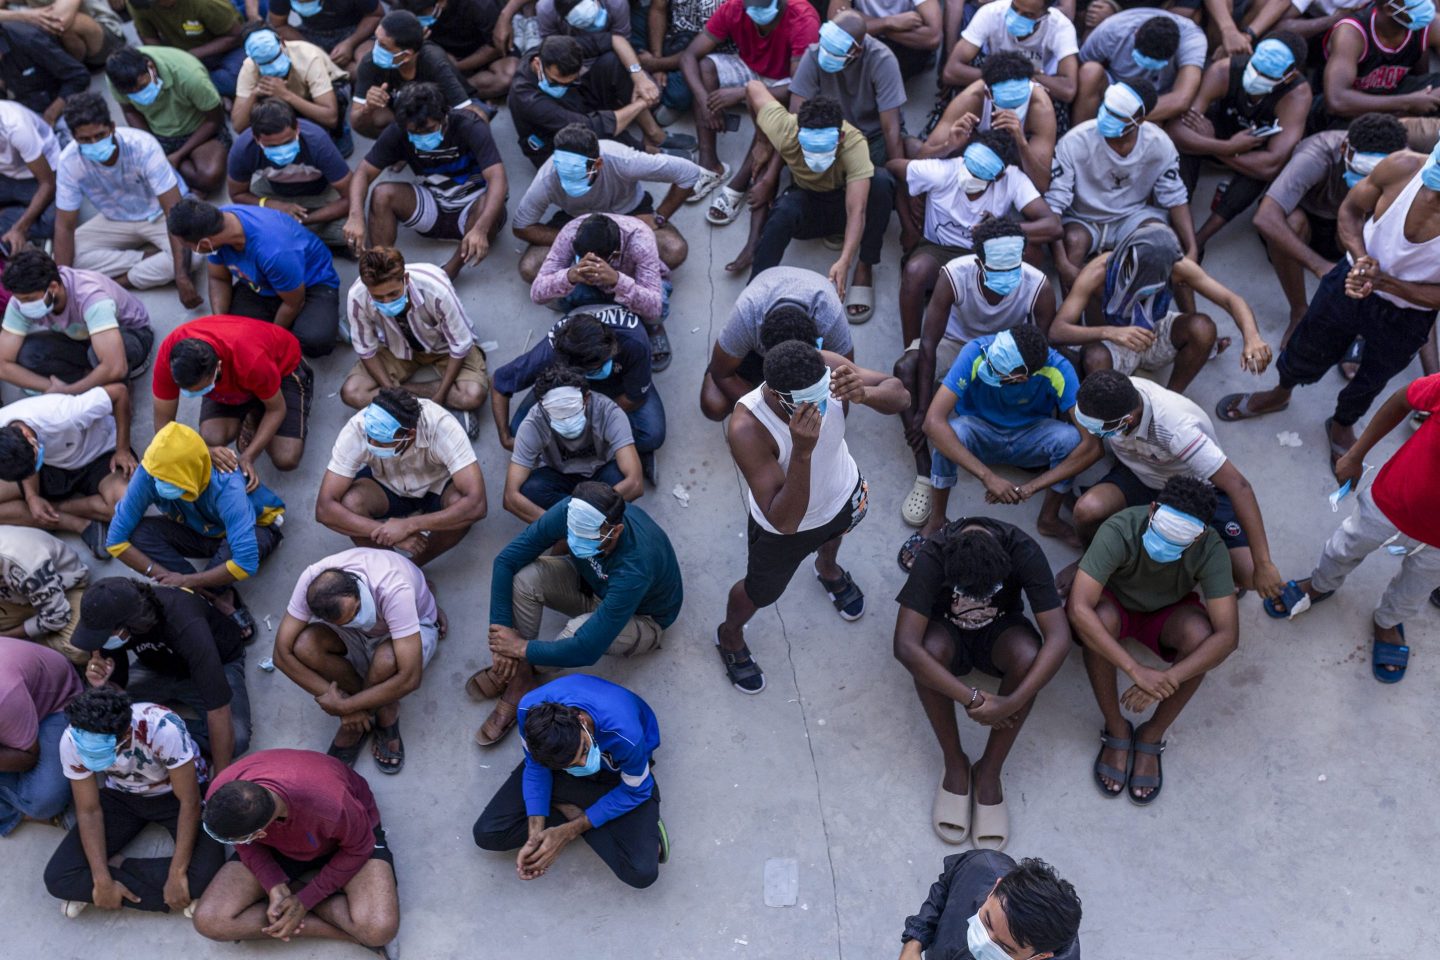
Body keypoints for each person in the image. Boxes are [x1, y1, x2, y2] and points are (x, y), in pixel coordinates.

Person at [1218, 140, 1440, 458]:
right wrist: (1361, 258)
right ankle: (1280, 393)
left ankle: (1342, 423)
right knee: (1308, 342)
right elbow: (1350, 210)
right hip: (1349, 278)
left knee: (1375, 376)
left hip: (1408, 312)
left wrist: (1387, 284)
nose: (1433, 191)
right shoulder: (1403, 167)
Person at [716, 340, 908, 693]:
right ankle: (729, 636)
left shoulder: (827, 364)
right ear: (775, 393)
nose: (822, 405)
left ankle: (827, 568)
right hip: (786, 530)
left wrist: (864, 393)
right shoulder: (748, 427)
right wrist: (802, 452)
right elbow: (783, 521)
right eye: (809, 400)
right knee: (760, 591)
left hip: (842, 495)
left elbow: (900, 396)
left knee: (834, 537)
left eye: (824, 392)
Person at [893, 518, 1073, 850]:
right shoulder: (933, 554)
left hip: (1000, 632)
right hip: (946, 633)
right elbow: (904, 646)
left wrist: (1012, 701)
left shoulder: (1023, 550)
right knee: (925, 656)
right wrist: (972, 699)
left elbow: (1059, 637)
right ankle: (955, 761)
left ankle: (989, 770)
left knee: (1030, 655)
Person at [1068, 475, 1239, 805]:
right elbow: (1078, 608)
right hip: (1114, 601)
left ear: (1201, 533)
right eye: (1163, 533)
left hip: (1168, 611)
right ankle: (1116, 727)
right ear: (1152, 510)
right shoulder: (1120, 528)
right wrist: (1135, 670)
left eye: (1179, 540)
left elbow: (1227, 636)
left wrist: (1166, 678)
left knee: (1202, 637)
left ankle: (1152, 733)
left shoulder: (1211, 547)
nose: (1167, 544)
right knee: (1097, 623)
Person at [473, 481, 681, 745]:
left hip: (641, 617)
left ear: (615, 531)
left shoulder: (636, 565)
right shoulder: (573, 510)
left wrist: (521, 647)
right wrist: (500, 635)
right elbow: (506, 561)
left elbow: (587, 650)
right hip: (594, 585)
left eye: (586, 537)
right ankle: (520, 674)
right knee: (524, 580)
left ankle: (518, 674)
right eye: (572, 533)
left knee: (576, 634)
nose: (575, 541)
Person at [1265, 376, 1440, 683]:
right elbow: (1403, 398)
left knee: (1416, 588)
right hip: (1391, 501)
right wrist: (1356, 454)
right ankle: (1320, 584)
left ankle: (1388, 621)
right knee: (1343, 547)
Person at [895, 217, 1056, 527]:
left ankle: (994, 436)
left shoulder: (1039, 286)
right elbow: (929, 345)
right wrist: (924, 408)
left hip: (1003, 352)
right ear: (979, 261)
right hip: (955, 345)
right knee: (906, 368)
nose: (1008, 276)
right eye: (998, 269)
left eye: (1014, 267)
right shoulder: (955, 274)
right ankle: (924, 471)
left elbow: (1039, 351)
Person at [1071, 370, 1283, 598]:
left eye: (1096, 429)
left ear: (1127, 420)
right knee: (1086, 511)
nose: (1091, 433)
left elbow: (1239, 486)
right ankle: (1093, 560)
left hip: (1192, 491)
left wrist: (1264, 564)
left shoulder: (1178, 430)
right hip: (1139, 474)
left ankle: (1194, 557)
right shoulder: (1110, 395)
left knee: (1251, 575)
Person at [908, 326, 1097, 568]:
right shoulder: (977, 351)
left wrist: (1030, 488)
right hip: (980, 432)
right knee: (950, 433)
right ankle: (937, 519)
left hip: (1031, 436)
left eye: (995, 370)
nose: (987, 366)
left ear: (1021, 378)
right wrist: (988, 477)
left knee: (1071, 439)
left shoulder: (1059, 370)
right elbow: (932, 423)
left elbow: (1092, 446)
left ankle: (1048, 518)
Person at [194, 749, 400, 957]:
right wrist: (272, 883)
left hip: (347, 841)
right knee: (210, 921)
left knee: (378, 929)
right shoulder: (222, 792)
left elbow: (359, 848)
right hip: (278, 845)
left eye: (237, 839)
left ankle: (297, 899)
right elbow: (245, 845)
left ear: (259, 833)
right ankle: (350, 934)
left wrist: (305, 900)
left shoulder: (332, 806)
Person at [43, 687, 225, 916]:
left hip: (174, 796)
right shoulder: (73, 738)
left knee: (206, 873)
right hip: (122, 797)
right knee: (58, 877)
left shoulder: (162, 727)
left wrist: (176, 873)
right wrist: (101, 879)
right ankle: (162, 893)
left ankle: (113, 871)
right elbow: (89, 810)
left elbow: (189, 801)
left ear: (126, 735)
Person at [473, 674, 666, 888]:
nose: (584, 764)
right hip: (561, 773)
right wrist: (535, 836)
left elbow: (635, 790)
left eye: (584, 750)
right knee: (488, 833)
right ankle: (588, 811)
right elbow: (536, 766)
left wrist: (568, 832)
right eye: (574, 763)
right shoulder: (528, 711)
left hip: (617, 776)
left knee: (642, 872)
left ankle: (577, 811)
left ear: (581, 721)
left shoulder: (624, 733)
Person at [105, 422, 286, 641]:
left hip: (258, 526)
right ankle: (207, 594)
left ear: (193, 471)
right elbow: (115, 541)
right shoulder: (150, 472)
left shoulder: (227, 485)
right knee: (138, 534)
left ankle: (212, 594)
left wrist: (187, 581)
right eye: (157, 477)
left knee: (245, 548)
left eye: (169, 479)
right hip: (201, 529)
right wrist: (167, 576)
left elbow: (245, 562)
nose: (158, 484)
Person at [273, 547, 442, 774]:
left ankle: (379, 713)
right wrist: (336, 701)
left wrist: (346, 706)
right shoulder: (311, 582)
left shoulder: (393, 587)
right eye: (348, 619)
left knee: (387, 659)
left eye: (358, 608)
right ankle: (375, 705)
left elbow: (410, 678)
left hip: (412, 627)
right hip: (359, 636)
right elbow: (281, 655)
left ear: (355, 583)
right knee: (304, 645)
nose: (358, 618)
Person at [1049, 221, 1272, 392]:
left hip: (1153, 330)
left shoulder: (1176, 266)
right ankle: (1117, 424)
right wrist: (1111, 332)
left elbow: (1231, 299)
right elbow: (1058, 330)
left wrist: (1252, 337)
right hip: (1111, 342)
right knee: (1094, 360)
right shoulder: (1098, 271)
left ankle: (1171, 399)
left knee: (1203, 328)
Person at [890, 128, 1059, 345]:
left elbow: (1053, 226)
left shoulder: (1012, 178)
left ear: (999, 175)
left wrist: (1000, 227)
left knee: (1031, 252)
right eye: (969, 169)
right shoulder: (943, 171)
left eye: (981, 176)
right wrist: (910, 218)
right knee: (914, 271)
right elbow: (892, 168)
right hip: (941, 249)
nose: (971, 177)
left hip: (989, 253)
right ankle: (912, 348)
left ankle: (1018, 336)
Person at [1253, 112, 1409, 342]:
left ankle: (1356, 330)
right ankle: (1299, 310)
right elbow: (1265, 217)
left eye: (1374, 176)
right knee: (1289, 223)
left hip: (1354, 229)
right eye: (1360, 171)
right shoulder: (1317, 153)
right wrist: (1319, 266)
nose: (1366, 183)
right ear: (1345, 148)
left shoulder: (1404, 165)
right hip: (1312, 220)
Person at [71, 577, 250, 773]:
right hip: (157, 667)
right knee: (101, 718)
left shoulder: (187, 624)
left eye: (104, 635)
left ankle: (163, 731)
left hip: (217, 663)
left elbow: (218, 709)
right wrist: (102, 686)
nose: (101, 641)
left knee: (236, 739)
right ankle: (159, 731)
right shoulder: (115, 624)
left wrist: (219, 779)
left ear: (128, 625)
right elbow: (117, 689)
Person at [745, 85, 892, 322]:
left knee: (882, 183)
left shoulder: (854, 143)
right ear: (797, 133)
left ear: (840, 137)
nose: (816, 156)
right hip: (807, 199)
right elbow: (752, 88)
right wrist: (762, 141)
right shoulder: (784, 129)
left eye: (824, 149)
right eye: (810, 148)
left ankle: (865, 265)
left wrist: (845, 260)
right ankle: (754, 291)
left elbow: (857, 209)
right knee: (782, 213)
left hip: (842, 199)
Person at [344, 82, 508, 280]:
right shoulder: (399, 131)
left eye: (429, 129)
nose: (422, 136)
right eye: (415, 132)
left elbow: (498, 179)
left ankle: (449, 272)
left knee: (489, 205)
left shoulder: (470, 126)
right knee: (382, 194)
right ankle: (383, 270)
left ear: (444, 116)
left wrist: (481, 229)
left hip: (472, 208)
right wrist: (355, 216)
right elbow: (363, 172)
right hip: (434, 203)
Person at [1167, 34, 1311, 257]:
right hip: (1217, 138)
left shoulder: (1296, 96)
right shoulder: (1223, 71)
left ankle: (1200, 239)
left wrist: (1222, 147)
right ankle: (1180, 231)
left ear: (1289, 76)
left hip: (1249, 152)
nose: (1256, 77)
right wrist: (1224, 146)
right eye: (1255, 68)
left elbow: (1271, 165)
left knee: (1259, 175)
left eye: (1267, 75)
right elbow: (1177, 130)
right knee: (1183, 150)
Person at [53, 93, 199, 309]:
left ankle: (117, 282)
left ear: (112, 127)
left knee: (194, 257)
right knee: (67, 259)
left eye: (100, 135)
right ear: (74, 138)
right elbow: (64, 226)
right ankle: (151, 257)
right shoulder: (69, 161)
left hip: (157, 214)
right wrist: (65, 286)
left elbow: (173, 210)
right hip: (115, 218)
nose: (94, 143)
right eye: (84, 139)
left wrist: (181, 276)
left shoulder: (142, 146)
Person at [1046, 79, 1194, 291]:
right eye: (1107, 109)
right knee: (1074, 242)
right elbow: (1055, 203)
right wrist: (1062, 264)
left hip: (1132, 215)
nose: (1107, 117)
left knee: (1161, 240)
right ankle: (1070, 319)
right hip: (1084, 218)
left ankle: (1184, 318)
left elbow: (1175, 197)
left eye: (1117, 115)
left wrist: (1192, 249)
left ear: (1139, 120)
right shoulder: (1074, 142)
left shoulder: (1159, 143)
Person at [318, 387, 487, 566]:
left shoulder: (441, 426)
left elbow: (476, 504)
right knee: (350, 502)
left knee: (461, 505)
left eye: (381, 441)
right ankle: (395, 569)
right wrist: (386, 532)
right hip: (385, 483)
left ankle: (415, 566)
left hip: (437, 485)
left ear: (410, 435)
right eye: (370, 438)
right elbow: (324, 508)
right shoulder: (359, 426)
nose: (371, 443)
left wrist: (410, 525)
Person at [512, 122, 701, 281]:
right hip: (578, 222)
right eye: (563, 175)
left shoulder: (623, 160)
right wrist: (572, 239)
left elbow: (688, 173)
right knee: (531, 267)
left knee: (673, 250)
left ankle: (619, 281)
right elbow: (521, 226)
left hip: (630, 212)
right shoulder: (547, 177)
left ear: (598, 164)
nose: (567, 182)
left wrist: (659, 217)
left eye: (576, 176)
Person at [678, 0, 820, 211]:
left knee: (774, 109)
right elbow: (689, 56)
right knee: (705, 67)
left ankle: (741, 181)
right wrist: (704, 102)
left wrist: (742, 93)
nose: (755, 13)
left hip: (785, 81)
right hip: (750, 67)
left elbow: (801, 87)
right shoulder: (734, 7)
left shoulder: (802, 19)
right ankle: (709, 165)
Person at [167, 196, 342, 359]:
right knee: (234, 335)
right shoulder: (215, 225)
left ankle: (323, 318)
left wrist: (272, 338)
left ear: (204, 243)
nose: (191, 250)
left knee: (315, 340)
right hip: (261, 284)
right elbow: (218, 278)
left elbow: (294, 302)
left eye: (189, 246)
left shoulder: (274, 251)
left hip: (310, 283)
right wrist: (220, 321)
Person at [341, 246, 489, 436]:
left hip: (444, 349)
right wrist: (391, 391)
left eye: (393, 294)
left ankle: (411, 405)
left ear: (406, 279)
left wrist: (441, 396)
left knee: (473, 395)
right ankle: (443, 411)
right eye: (378, 297)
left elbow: (460, 345)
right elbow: (366, 350)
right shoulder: (357, 295)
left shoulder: (436, 289)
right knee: (352, 393)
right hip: (395, 348)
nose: (386, 302)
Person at [492, 307, 665, 461]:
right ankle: (608, 450)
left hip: (621, 382)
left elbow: (634, 399)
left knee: (651, 435)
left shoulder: (634, 342)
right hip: (566, 381)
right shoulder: (550, 354)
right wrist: (504, 438)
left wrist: (591, 423)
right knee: (520, 435)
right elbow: (500, 383)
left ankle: (598, 451)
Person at [152, 315, 313, 475]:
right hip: (246, 377)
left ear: (218, 367)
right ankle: (254, 407)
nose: (194, 394)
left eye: (202, 388)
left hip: (282, 368)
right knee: (212, 438)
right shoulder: (172, 357)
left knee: (286, 457)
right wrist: (205, 451)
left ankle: (263, 403)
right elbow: (163, 429)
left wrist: (248, 456)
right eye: (189, 390)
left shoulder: (251, 360)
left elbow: (277, 410)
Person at [699, 265, 853, 422]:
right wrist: (771, 414)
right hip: (755, 350)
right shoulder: (746, 316)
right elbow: (721, 374)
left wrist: (821, 419)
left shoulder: (829, 316)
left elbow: (846, 380)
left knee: (834, 415)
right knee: (713, 404)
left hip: (808, 356)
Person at [0, 384, 134, 554]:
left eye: (34, 462)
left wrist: (123, 449)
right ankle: (79, 525)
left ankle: (54, 508)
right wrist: (31, 496)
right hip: (51, 467)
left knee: (126, 505)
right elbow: (26, 464)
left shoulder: (65, 415)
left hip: (99, 455)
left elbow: (119, 392)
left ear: (27, 435)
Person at [531, 212, 674, 368]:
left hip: (634, 282)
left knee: (659, 307)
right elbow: (537, 294)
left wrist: (617, 281)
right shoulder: (570, 233)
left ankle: (651, 327)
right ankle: (589, 326)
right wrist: (570, 276)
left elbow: (654, 308)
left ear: (615, 255)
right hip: (589, 285)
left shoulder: (640, 239)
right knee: (565, 294)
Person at [0, 250, 154, 392]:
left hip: (131, 334)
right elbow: (3, 365)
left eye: (29, 299)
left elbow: (115, 367)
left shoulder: (90, 297)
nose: (23, 305)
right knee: (28, 352)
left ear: (53, 287)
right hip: (82, 339)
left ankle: (117, 389)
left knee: (101, 358)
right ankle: (92, 379)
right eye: (20, 300)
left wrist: (69, 391)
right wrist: (53, 388)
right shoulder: (21, 301)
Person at [504, 364, 643, 519]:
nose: (567, 419)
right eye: (557, 412)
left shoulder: (608, 412)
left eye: (571, 409)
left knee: (622, 478)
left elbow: (635, 483)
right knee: (530, 489)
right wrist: (554, 526)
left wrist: (584, 519)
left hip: (601, 470)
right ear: (542, 407)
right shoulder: (533, 423)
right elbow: (510, 497)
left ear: (586, 399)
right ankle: (581, 519)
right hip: (560, 474)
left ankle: (577, 516)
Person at [509, 34, 664, 168]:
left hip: (576, 104)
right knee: (605, 136)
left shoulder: (558, 49)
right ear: (537, 64)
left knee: (612, 62)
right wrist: (642, 103)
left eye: (571, 81)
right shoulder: (527, 99)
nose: (563, 87)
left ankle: (653, 134)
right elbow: (592, 128)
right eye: (557, 82)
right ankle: (648, 153)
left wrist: (639, 77)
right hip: (554, 144)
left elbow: (615, 40)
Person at [921, 52, 1059, 193]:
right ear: (988, 94)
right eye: (1005, 104)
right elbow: (922, 157)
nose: (1011, 112)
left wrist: (1022, 142)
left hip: (1015, 171)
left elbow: (1041, 185)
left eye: (1018, 105)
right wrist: (949, 146)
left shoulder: (1041, 107)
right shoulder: (972, 99)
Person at [226, 98, 353, 250]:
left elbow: (351, 196)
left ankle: (285, 235)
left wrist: (303, 220)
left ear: (297, 129)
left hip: (321, 191)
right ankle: (303, 238)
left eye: (288, 142)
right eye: (272, 146)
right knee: (237, 222)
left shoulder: (318, 143)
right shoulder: (243, 150)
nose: (281, 150)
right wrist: (273, 205)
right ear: (256, 138)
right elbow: (237, 194)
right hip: (273, 191)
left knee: (347, 233)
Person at [900, 853, 1082, 960]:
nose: (982, 942)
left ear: (1040, 956)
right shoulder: (979, 866)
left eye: (1005, 948)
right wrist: (914, 943)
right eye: (986, 920)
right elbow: (945, 885)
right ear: (996, 886)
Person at [104, 46, 229, 196]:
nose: (139, 94)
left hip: (198, 130)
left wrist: (178, 155)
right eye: (132, 93)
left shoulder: (190, 76)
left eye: (142, 87)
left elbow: (214, 120)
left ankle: (179, 171)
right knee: (123, 180)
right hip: (158, 134)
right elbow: (130, 111)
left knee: (210, 176)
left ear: (151, 67)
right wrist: (150, 145)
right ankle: (184, 176)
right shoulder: (116, 79)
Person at [790, 13, 906, 172]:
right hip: (831, 137)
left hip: (871, 138)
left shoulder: (882, 59)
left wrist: (900, 180)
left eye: (834, 53)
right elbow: (796, 115)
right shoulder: (814, 54)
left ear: (856, 51)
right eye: (825, 47)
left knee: (883, 173)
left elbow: (890, 128)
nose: (826, 55)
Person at [1313, 0, 1440, 132]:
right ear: (1390, 9)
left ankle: (1404, 122)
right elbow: (1336, 101)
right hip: (1354, 106)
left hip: (1395, 92)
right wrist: (1407, 103)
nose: (1426, 6)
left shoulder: (1431, 24)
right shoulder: (1351, 33)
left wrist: (1430, 97)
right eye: (1417, 3)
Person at [351, 9, 477, 138]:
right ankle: (401, 149)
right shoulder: (370, 61)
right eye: (376, 40)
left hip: (441, 119)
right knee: (375, 118)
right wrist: (368, 108)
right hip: (405, 117)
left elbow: (467, 112)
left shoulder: (434, 62)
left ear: (406, 56)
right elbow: (355, 121)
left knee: (475, 121)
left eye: (383, 46)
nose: (376, 48)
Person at [0, 637, 81, 836]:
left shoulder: (4, 695)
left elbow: (28, 757)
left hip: (57, 704)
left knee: (43, 801)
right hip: (19, 703)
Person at [233, 25, 352, 154]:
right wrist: (254, 95)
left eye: (275, 57)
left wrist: (285, 95)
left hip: (325, 91)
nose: (272, 66)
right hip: (285, 99)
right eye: (265, 63)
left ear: (282, 42)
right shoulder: (249, 67)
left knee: (330, 119)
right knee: (263, 111)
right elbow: (239, 127)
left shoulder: (308, 56)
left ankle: (339, 132)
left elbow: (330, 117)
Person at [1074, 10, 1206, 124]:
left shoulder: (1191, 39)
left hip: (1156, 99)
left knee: (1156, 123)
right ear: (1136, 34)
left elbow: (1181, 99)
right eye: (1143, 56)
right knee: (1089, 72)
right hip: (1114, 85)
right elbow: (1080, 65)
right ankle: (1081, 139)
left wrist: (1122, 117)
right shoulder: (1112, 30)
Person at [944, 0, 1078, 111]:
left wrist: (1025, 77)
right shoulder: (992, 12)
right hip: (993, 86)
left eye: (1028, 15)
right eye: (1014, 8)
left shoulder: (1060, 26)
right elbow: (951, 71)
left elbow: (1068, 89)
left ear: (1044, 15)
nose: (1017, 16)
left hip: (1032, 91)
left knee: (1053, 104)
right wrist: (1008, 75)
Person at [394, 0, 517, 100]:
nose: (419, 16)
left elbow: (496, 46)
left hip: (481, 50)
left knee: (507, 76)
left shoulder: (479, 4)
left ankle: (448, 94)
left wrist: (457, 66)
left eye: (422, 12)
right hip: (438, 54)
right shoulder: (405, 8)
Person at [0, 526, 88, 662]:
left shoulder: (26, 563)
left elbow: (57, 617)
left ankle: (33, 647)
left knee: (79, 649)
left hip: (65, 592)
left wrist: (7, 636)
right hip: (14, 598)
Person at [128, 0, 246, 99]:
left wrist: (189, 55)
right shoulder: (140, 4)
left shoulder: (204, 3)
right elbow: (148, 36)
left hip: (226, 49)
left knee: (231, 81)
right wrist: (165, 63)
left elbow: (236, 35)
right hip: (181, 53)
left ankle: (208, 91)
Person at [633, 0, 722, 119]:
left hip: (704, 48)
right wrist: (657, 57)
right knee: (633, 20)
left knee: (680, 93)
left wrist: (656, 64)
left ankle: (646, 83)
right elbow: (658, 9)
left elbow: (697, 52)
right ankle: (640, 74)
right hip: (673, 33)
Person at [0, 21, 89, 125]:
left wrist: (52, 113)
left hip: (60, 105)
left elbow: (79, 76)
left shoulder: (29, 40)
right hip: (25, 110)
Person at [0, 100, 58, 260]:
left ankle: (11, 219)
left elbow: (47, 183)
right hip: (6, 176)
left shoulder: (16, 126)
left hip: (39, 175)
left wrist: (19, 228)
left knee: (52, 222)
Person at [0, 0, 124, 69]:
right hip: (66, 49)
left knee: (68, 25)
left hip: (104, 41)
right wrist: (24, 16)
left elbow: (58, 20)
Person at [836, 0, 940, 81]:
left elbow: (933, 38)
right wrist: (887, 23)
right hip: (870, 37)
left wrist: (871, 26)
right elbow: (836, 19)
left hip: (904, 42)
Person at [267, 0, 381, 73]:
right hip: (311, 33)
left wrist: (350, 43)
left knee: (366, 65)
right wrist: (311, 48)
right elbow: (278, 25)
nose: (302, 4)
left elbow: (376, 15)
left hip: (355, 28)